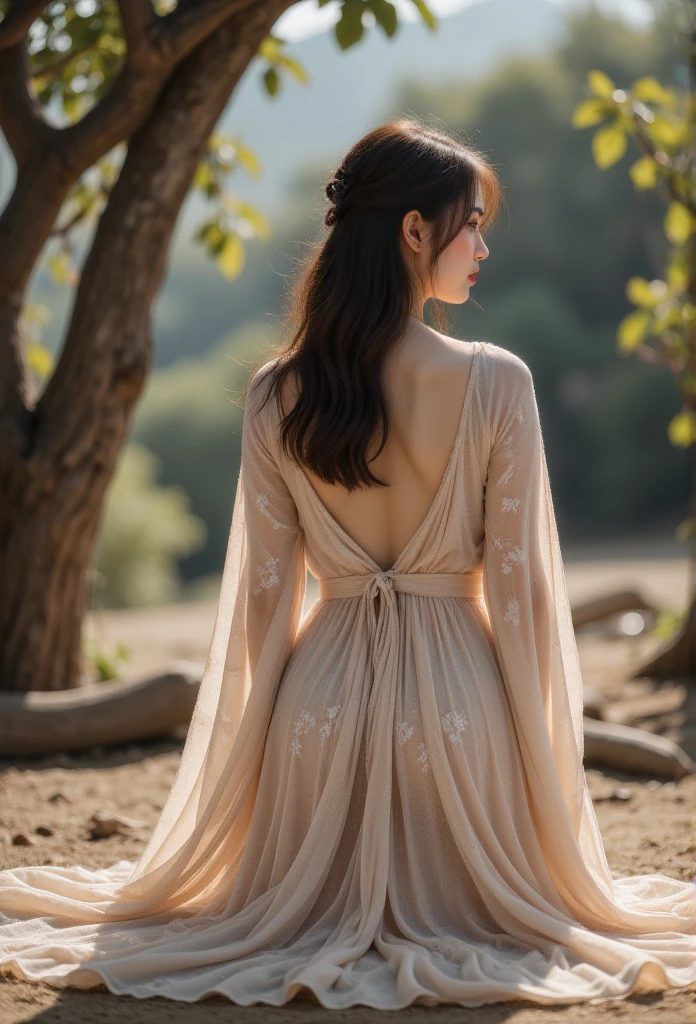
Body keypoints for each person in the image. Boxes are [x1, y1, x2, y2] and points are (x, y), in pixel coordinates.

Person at [1, 117, 694, 1011]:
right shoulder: (497, 381)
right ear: (414, 230)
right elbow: (520, 596)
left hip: (313, 721)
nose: (482, 246)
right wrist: (540, 775)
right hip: (458, 715)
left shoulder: (274, 393)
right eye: (471, 222)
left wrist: (249, 771)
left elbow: (262, 605)